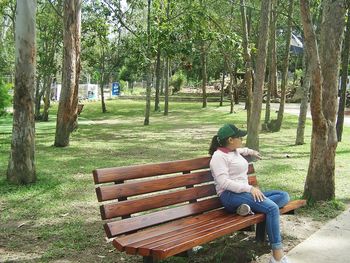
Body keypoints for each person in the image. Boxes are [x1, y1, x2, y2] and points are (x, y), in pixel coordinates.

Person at [209, 124, 291, 263]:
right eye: (240, 137)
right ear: (230, 140)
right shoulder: (218, 157)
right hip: (229, 195)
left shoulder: (233, 151)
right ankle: (277, 255)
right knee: (271, 208)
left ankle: (246, 208)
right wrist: (249, 189)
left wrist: (251, 151)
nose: (242, 139)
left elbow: (243, 150)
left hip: (243, 194)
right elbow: (223, 183)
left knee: (284, 196)